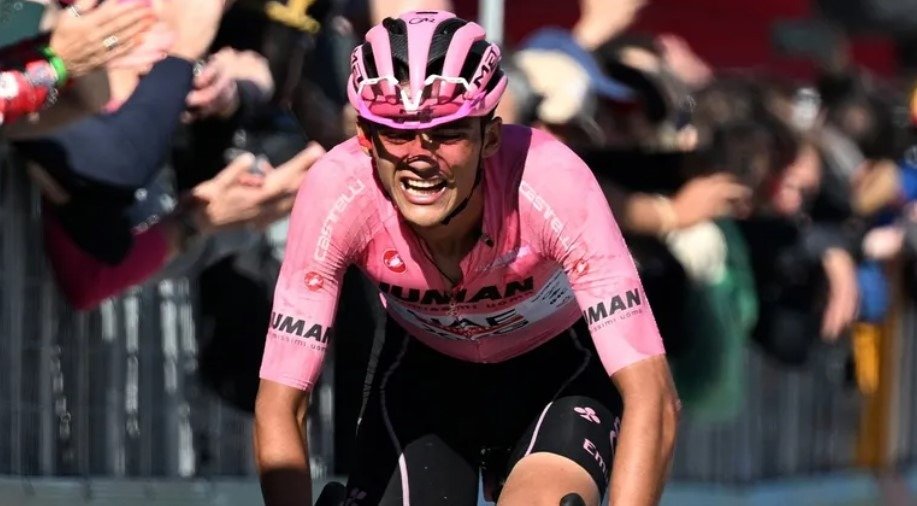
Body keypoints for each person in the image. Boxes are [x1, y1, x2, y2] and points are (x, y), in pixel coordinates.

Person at [254, 10, 679, 506]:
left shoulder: (551, 180)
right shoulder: (336, 192)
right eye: (396, 133)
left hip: (556, 375)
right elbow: (281, 404)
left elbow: (654, 397)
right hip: (424, 381)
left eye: (448, 134)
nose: (420, 157)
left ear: (489, 137)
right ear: (366, 138)